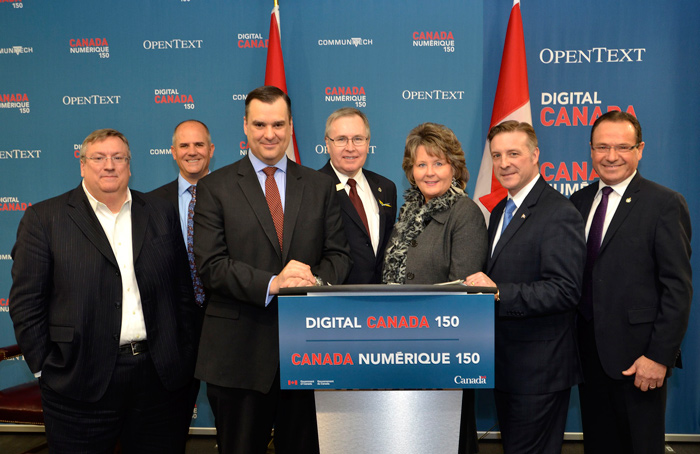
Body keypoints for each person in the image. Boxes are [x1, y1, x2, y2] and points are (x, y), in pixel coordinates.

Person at [9, 128, 197, 453]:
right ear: (83, 165)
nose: (109, 165)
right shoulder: (45, 219)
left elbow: (182, 289)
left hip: (159, 379)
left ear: (129, 165)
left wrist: (184, 352)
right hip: (79, 381)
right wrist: (45, 367)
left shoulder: (160, 212)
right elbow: (27, 303)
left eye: (118, 157)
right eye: (98, 158)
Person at [192, 86, 352, 454]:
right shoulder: (214, 188)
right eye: (260, 124)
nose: (269, 133)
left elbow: (339, 255)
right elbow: (211, 266)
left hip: (309, 353)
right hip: (238, 357)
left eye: (279, 124)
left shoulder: (319, 185)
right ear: (245, 126)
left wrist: (313, 280)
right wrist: (274, 283)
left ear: (291, 126)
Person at [570, 111, 692, 454]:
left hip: (639, 360)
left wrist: (659, 356)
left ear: (640, 150)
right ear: (590, 151)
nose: (611, 156)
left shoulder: (664, 203)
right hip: (586, 357)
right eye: (602, 147)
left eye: (622, 147)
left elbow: (677, 288)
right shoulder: (578, 202)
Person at [465, 120, 586, 453]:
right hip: (506, 366)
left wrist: (499, 291)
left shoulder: (559, 212)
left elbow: (565, 290)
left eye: (514, 153)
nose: (504, 163)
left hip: (539, 370)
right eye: (497, 155)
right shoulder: (500, 209)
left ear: (535, 155)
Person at [382, 122, 488, 454]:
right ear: (410, 171)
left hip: (441, 355)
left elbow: (462, 293)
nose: (430, 172)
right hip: (397, 351)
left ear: (454, 167)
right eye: (421, 164)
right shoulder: (408, 212)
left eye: (438, 163)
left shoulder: (465, 213)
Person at [149, 119, 214, 442]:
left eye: (199, 144)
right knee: (167, 429)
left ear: (211, 150)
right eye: (184, 146)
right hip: (172, 330)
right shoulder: (149, 204)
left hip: (223, 324)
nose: (192, 152)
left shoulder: (234, 195)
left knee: (234, 427)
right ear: (173, 152)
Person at [318, 107, 396, 284]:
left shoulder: (386, 187)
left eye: (358, 139)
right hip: (334, 301)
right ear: (327, 143)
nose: (350, 148)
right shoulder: (313, 187)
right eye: (341, 139)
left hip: (382, 301)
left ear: (368, 143)